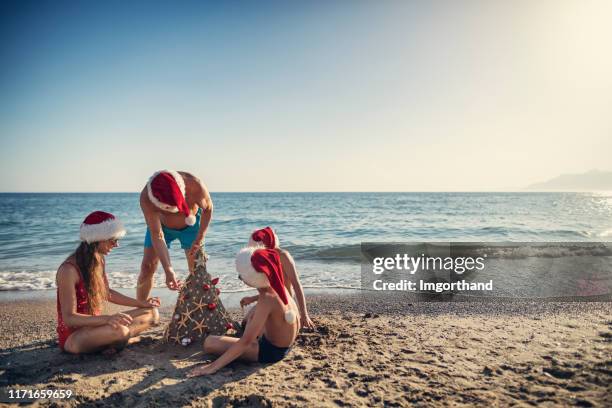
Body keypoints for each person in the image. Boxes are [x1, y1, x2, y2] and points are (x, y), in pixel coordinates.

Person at [56, 211, 160, 354]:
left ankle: (114, 341)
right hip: (74, 337)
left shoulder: (99, 260)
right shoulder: (68, 270)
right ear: (98, 239)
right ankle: (121, 339)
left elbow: (106, 293)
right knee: (121, 331)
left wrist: (142, 303)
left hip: (98, 327)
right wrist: (108, 319)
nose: (116, 245)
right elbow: (69, 319)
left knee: (152, 312)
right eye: (112, 240)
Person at [188, 247, 299, 376]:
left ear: (251, 278)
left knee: (210, 342)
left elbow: (245, 342)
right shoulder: (277, 286)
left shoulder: (267, 298)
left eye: (241, 277)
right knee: (250, 317)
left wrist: (212, 367)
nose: (241, 279)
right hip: (286, 344)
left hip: (271, 352)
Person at [137, 170, 213, 301]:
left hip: (192, 226)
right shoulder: (146, 196)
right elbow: (157, 234)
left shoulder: (195, 185)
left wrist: (200, 237)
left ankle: (198, 309)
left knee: (196, 270)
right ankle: (141, 306)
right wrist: (168, 269)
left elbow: (208, 209)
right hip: (161, 228)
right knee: (147, 267)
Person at [240, 227, 314, 328]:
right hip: (272, 301)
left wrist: (304, 315)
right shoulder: (265, 259)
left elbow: (296, 285)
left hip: (285, 303)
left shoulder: (283, 256)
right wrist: (252, 298)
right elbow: (270, 291)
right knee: (244, 322)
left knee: (251, 322)